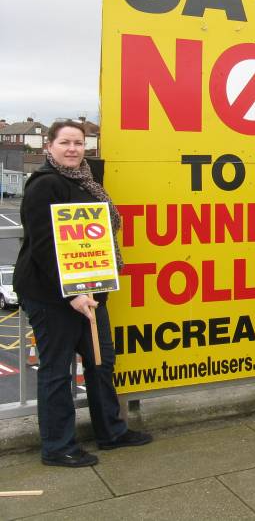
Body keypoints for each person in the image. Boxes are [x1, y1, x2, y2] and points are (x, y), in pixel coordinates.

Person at [14, 120, 152, 468]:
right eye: (65, 142)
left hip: (92, 292)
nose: (73, 148)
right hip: (52, 296)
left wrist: (89, 289)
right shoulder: (43, 185)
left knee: (100, 362)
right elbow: (45, 247)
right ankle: (58, 446)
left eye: (78, 142)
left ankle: (111, 433)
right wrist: (71, 294)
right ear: (49, 146)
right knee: (56, 370)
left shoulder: (88, 181)